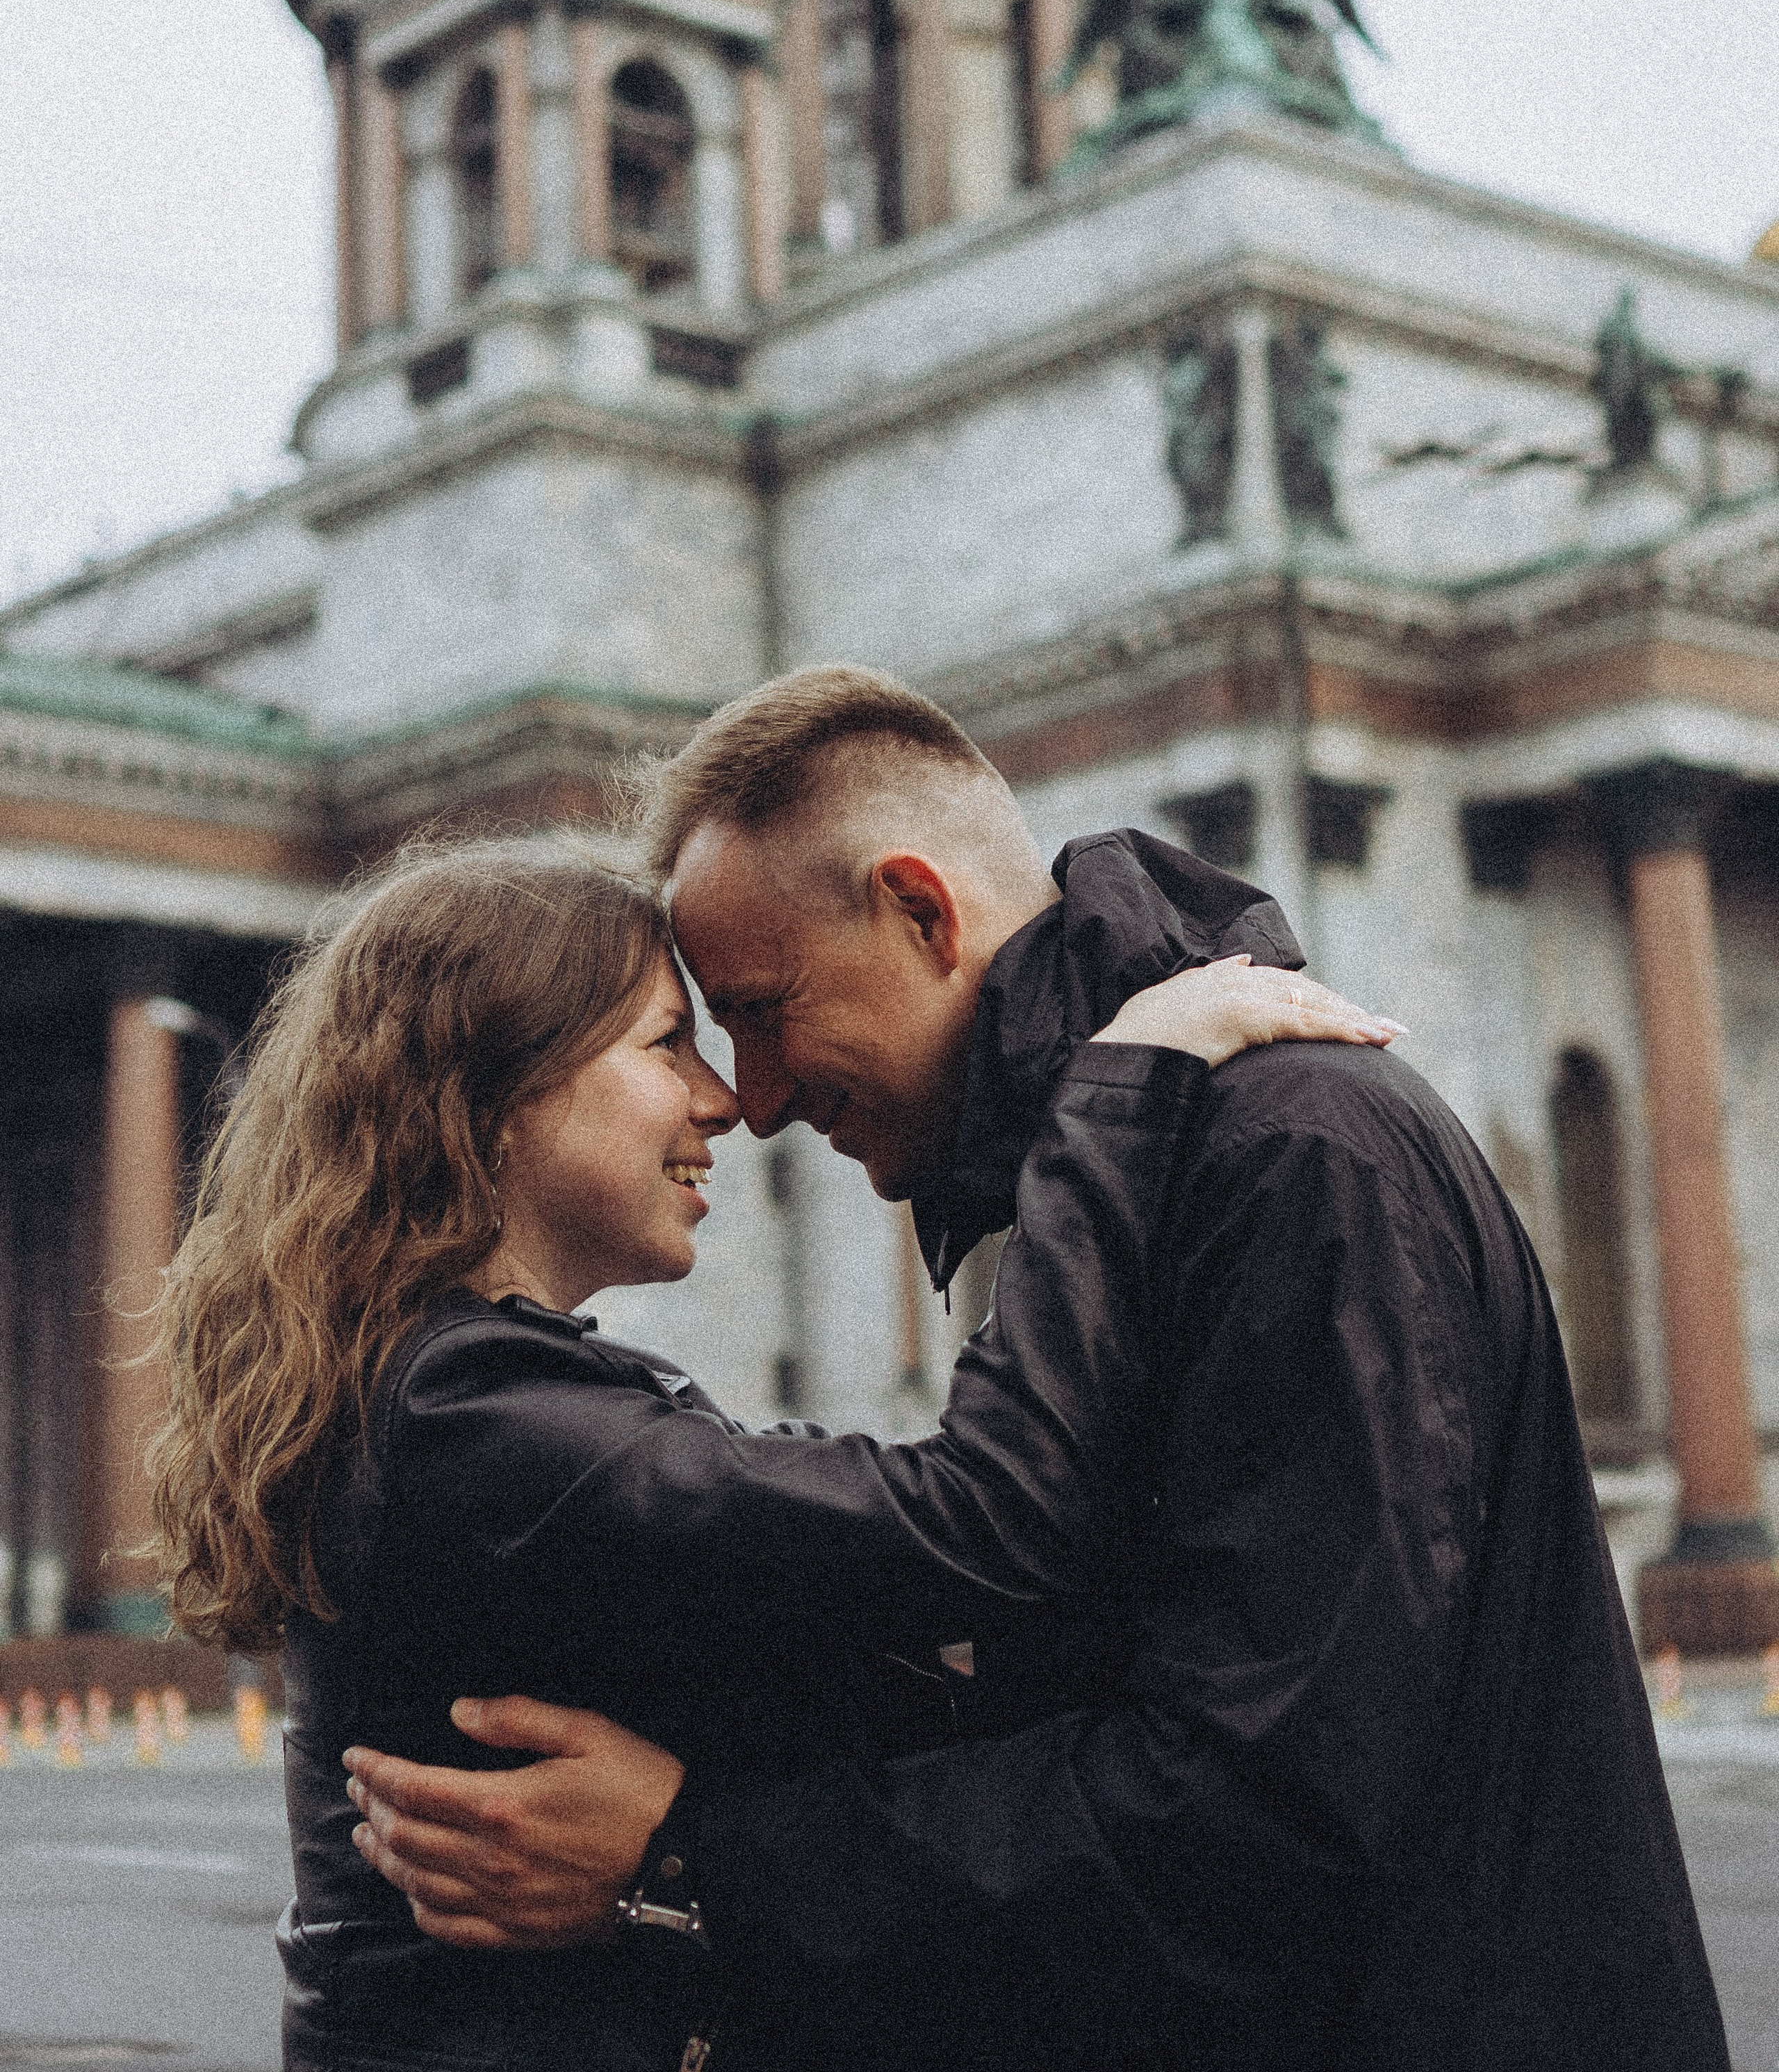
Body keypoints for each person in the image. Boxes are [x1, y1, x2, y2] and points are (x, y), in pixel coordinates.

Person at [348, 667, 1730, 2072]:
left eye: (761, 1011)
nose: (750, 1099)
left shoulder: (1287, 1156)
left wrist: (702, 1856)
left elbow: (1262, 1813)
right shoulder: (1136, 1173)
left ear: (921, 911)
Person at [150, 829, 1390, 2072]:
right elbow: (979, 1517)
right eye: (665, 1041)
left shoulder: (471, 1397)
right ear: (492, 1093)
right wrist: (1122, 1097)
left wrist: (678, 1841)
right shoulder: (463, 1415)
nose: (723, 1102)